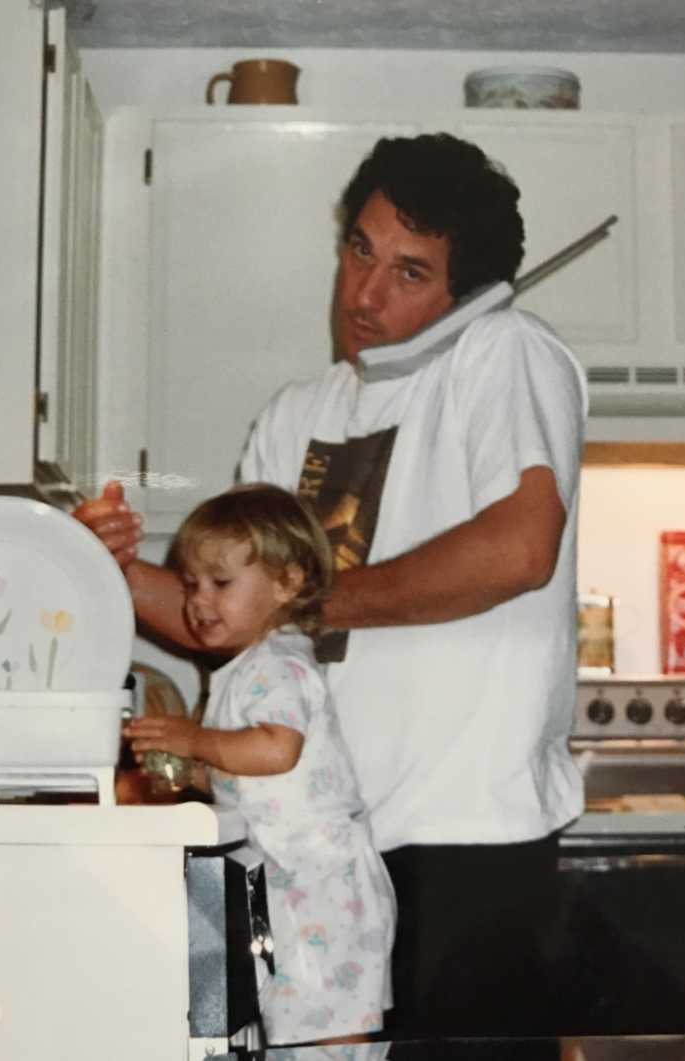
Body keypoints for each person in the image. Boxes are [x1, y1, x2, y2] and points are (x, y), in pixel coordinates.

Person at [75, 132, 589, 1036]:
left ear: (465, 293)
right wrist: (101, 567)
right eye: (360, 250)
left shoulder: (506, 354)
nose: (365, 293)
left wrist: (305, 602)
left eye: (409, 272)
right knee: (219, 1038)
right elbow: (215, 621)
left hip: (459, 845)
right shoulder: (293, 414)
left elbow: (519, 548)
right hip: (270, 842)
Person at [124, 483, 396, 1046]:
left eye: (221, 584)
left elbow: (277, 750)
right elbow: (252, 771)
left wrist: (196, 739)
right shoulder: (246, 670)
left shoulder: (277, 661)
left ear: (287, 582)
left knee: (329, 1037)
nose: (199, 601)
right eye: (192, 584)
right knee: (302, 1032)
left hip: (322, 888)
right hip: (295, 886)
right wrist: (189, 771)